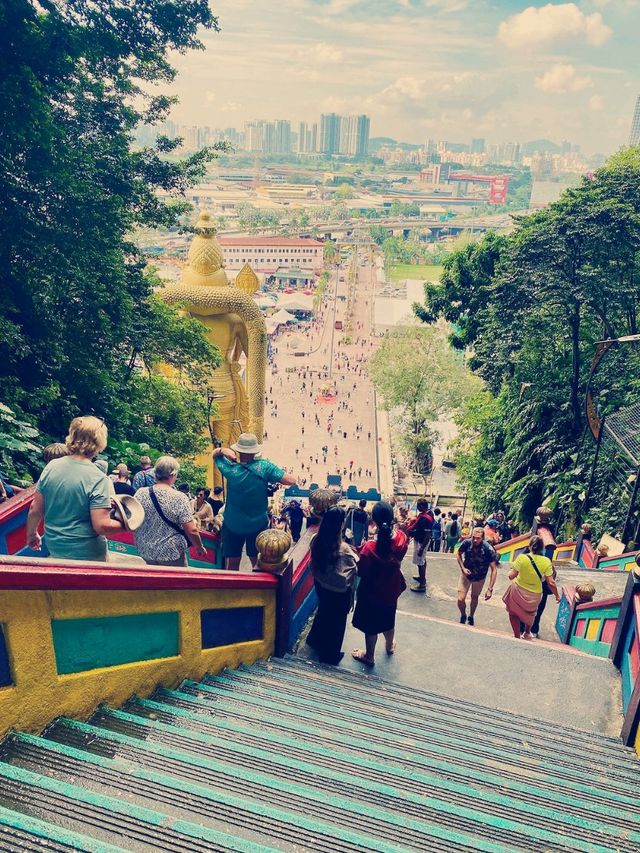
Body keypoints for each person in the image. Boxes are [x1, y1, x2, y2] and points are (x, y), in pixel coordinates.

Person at [26, 416, 124, 561]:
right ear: (100, 442)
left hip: (55, 547)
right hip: (88, 554)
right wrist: (126, 525)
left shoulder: (52, 467)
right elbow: (101, 526)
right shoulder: (98, 478)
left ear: (72, 436)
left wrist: (32, 534)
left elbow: (35, 508)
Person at [213, 433, 296, 570]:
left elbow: (215, 455)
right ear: (255, 451)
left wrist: (222, 450)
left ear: (238, 450)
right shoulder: (264, 467)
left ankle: (232, 589)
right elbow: (291, 480)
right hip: (257, 524)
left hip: (233, 523)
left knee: (232, 563)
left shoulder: (229, 469)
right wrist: (271, 471)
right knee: (257, 561)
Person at [352, 502, 408, 667]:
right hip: (391, 588)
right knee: (388, 618)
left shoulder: (369, 547)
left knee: (371, 625)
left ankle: (369, 656)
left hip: (371, 592)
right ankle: (389, 646)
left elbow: (362, 572)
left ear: (373, 520)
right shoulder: (401, 539)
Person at [307, 506, 358, 665]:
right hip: (338, 591)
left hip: (321, 584)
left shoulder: (315, 539)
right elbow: (354, 566)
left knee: (323, 611)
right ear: (340, 525)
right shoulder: (344, 549)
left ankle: (314, 640)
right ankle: (330, 655)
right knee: (336, 623)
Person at [134, 455, 206, 567]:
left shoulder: (140, 493)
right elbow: (191, 530)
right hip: (171, 553)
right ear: (172, 475)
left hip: (145, 550)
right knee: (177, 582)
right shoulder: (180, 497)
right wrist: (199, 547)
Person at [503, 535, 560, 640]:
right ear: (542, 548)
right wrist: (557, 596)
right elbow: (551, 582)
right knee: (531, 613)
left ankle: (516, 635)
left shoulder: (522, 558)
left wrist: (511, 570)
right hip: (535, 593)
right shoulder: (546, 561)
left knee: (513, 612)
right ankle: (527, 632)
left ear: (530, 546)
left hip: (518, 589)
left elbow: (511, 576)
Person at [456, 527, 499, 626]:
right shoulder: (467, 543)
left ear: (482, 538)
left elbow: (494, 569)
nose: (475, 540)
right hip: (466, 575)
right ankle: (463, 614)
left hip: (480, 577)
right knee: (460, 599)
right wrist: (462, 567)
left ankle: (471, 616)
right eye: (474, 537)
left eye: (478, 538)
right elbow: (458, 553)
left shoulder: (488, 549)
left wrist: (490, 589)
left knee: (474, 597)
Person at [404, 499, 433, 593]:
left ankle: (422, 585)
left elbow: (427, 535)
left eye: (418, 505)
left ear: (422, 506)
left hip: (422, 542)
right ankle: (421, 578)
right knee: (422, 560)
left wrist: (421, 548)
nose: (417, 507)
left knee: (420, 562)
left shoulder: (425, 518)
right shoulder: (428, 513)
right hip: (420, 540)